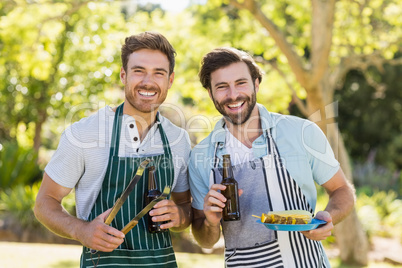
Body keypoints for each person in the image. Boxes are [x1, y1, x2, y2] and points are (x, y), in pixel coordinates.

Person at [34, 31, 192, 268]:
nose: (148, 82)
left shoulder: (178, 139)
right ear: (123, 75)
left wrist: (180, 216)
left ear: (170, 80)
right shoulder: (85, 133)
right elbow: (45, 202)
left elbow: (186, 208)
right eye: (139, 71)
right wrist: (82, 230)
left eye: (158, 73)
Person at [188, 47, 355, 268]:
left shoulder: (301, 131)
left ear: (256, 84)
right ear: (210, 93)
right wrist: (210, 222)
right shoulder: (200, 156)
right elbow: (205, 240)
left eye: (241, 83)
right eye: (221, 87)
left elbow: (342, 190)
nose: (233, 94)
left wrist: (328, 216)